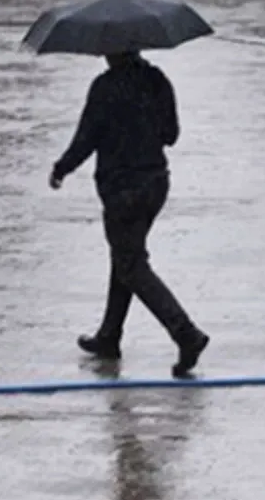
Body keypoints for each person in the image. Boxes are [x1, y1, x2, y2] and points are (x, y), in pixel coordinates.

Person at [50, 51, 210, 378]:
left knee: (132, 264)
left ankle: (186, 333)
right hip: (155, 184)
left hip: (121, 190)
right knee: (126, 256)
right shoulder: (157, 80)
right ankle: (109, 336)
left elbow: (86, 139)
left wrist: (61, 168)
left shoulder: (104, 87)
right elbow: (171, 135)